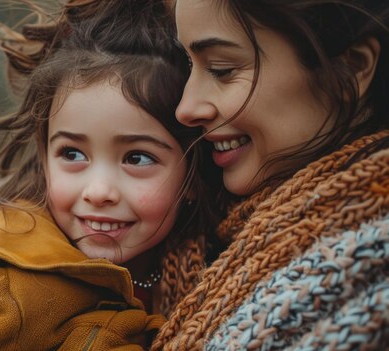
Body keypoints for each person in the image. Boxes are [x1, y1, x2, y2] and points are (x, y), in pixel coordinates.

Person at [0, 1, 223, 350]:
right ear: (44, 155)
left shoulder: (209, 267)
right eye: (73, 154)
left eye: (137, 158)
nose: (98, 192)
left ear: (193, 174)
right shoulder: (16, 285)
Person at [153, 1, 389, 350]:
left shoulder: (371, 278)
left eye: (221, 69)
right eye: (189, 64)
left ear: (353, 67)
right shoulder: (198, 236)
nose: (185, 108)